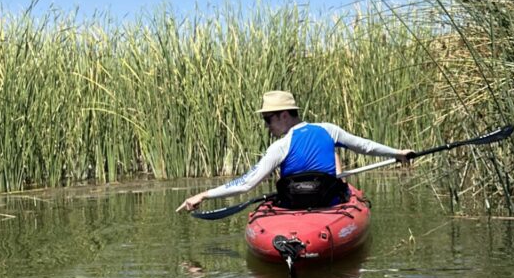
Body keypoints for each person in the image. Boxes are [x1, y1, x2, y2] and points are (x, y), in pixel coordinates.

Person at [176, 90, 415, 213]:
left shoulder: (279, 147)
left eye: (268, 120)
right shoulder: (329, 130)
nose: (267, 127)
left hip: (295, 207)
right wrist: (397, 153)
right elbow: (365, 146)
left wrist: (204, 195)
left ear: (284, 115)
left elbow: (246, 183)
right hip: (328, 204)